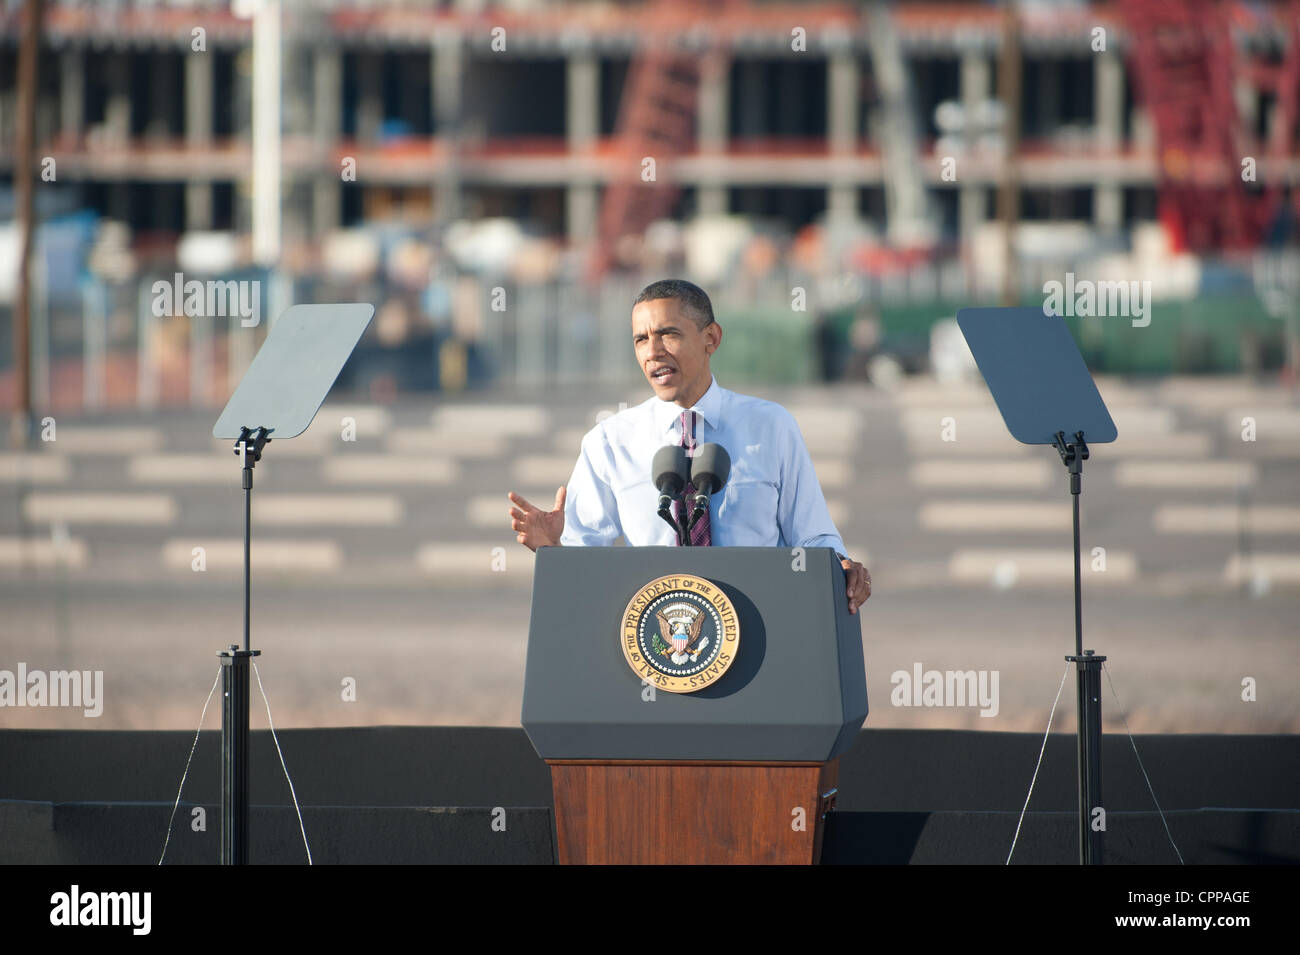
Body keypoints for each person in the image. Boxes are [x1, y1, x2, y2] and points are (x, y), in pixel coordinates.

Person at [507, 279, 872, 614]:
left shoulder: (771, 426)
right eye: (640, 339)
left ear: (711, 338)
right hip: (657, 642)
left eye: (667, 334)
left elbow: (811, 533)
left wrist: (840, 564)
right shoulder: (610, 441)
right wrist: (553, 550)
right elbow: (581, 562)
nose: (653, 352)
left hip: (763, 631)